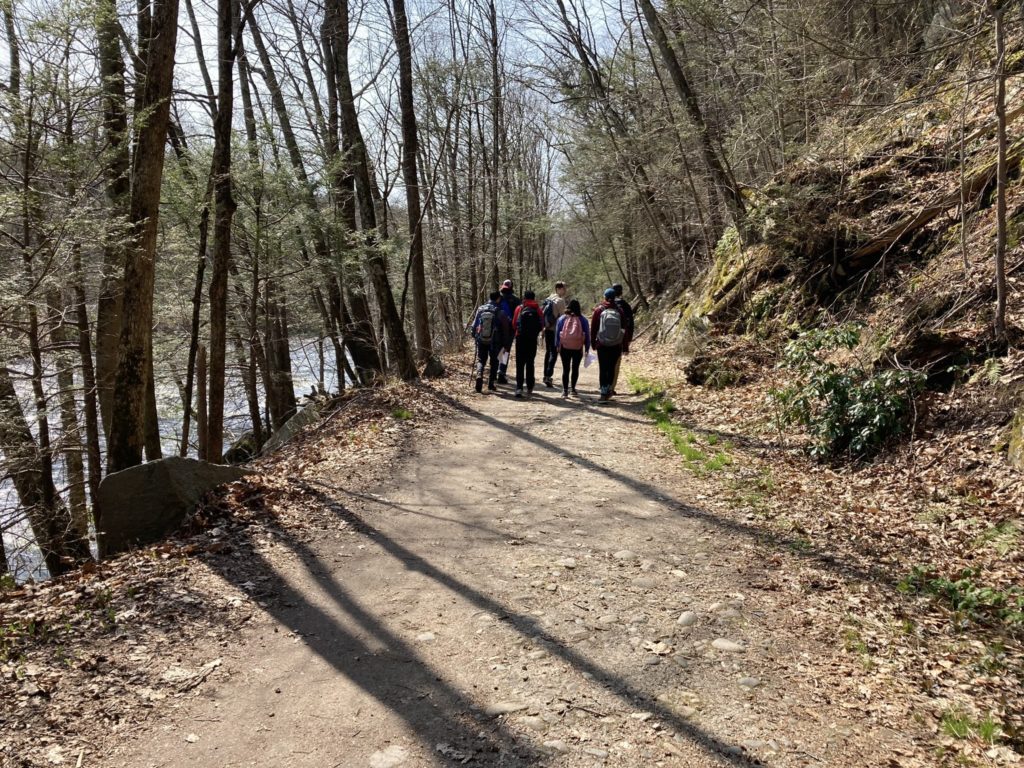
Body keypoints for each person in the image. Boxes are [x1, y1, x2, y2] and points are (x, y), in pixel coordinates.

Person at [470, 291, 510, 393]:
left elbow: (474, 326)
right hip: (495, 341)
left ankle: (479, 374)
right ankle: (491, 384)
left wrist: (475, 335)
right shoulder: (500, 311)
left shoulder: (480, 309)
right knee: (494, 361)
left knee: (481, 359)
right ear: (498, 299)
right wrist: (506, 343)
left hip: (481, 339)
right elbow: (506, 329)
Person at [591, 287, 625, 402]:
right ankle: (609, 389)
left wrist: (593, 343)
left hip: (602, 344)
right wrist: (623, 344)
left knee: (603, 367)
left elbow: (594, 328)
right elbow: (624, 328)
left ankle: (603, 392)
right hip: (616, 345)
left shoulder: (599, 310)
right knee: (611, 368)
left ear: (604, 297)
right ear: (615, 297)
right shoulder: (620, 311)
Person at [511, 289, 543, 397]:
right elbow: (542, 323)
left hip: (520, 338)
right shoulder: (537, 309)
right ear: (534, 298)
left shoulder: (519, 308)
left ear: (524, 298)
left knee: (520, 364)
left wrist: (519, 331)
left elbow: (514, 323)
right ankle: (530, 387)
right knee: (530, 362)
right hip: (532, 339)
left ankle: (519, 388)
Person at [555, 298, 590, 398]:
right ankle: (573, 389)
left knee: (566, 369)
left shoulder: (562, 319)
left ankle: (565, 390)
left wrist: (557, 345)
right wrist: (587, 347)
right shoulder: (583, 320)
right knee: (575, 368)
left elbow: (557, 334)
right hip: (577, 347)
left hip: (564, 347)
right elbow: (587, 334)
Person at [541, 281, 568, 388]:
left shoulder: (548, 298)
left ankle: (545, 374)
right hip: (555, 329)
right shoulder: (560, 301)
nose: (565, 290)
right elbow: (563, 317)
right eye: (564, 288)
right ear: (558, 289)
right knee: (554, 352)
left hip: (547, 328)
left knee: (548, 351)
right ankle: (548, 375)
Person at [610, 283, 635, 395]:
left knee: (606, 363)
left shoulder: (605, 305)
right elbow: (630, 324)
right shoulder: (625, 305)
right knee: (616, 363)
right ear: (621, 292)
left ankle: (604, 386)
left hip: (605, 340)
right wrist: (628, 339)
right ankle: (611, 387)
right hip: (619, 340)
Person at [495, 279, 520, 384]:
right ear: (511, 287)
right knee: (505, 350)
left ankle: (494, 372)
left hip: (497, 328)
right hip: (509, 329)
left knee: (496, 349)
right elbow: (518, 315)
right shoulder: (515, 300)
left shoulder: (497, 298)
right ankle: (501, 372)